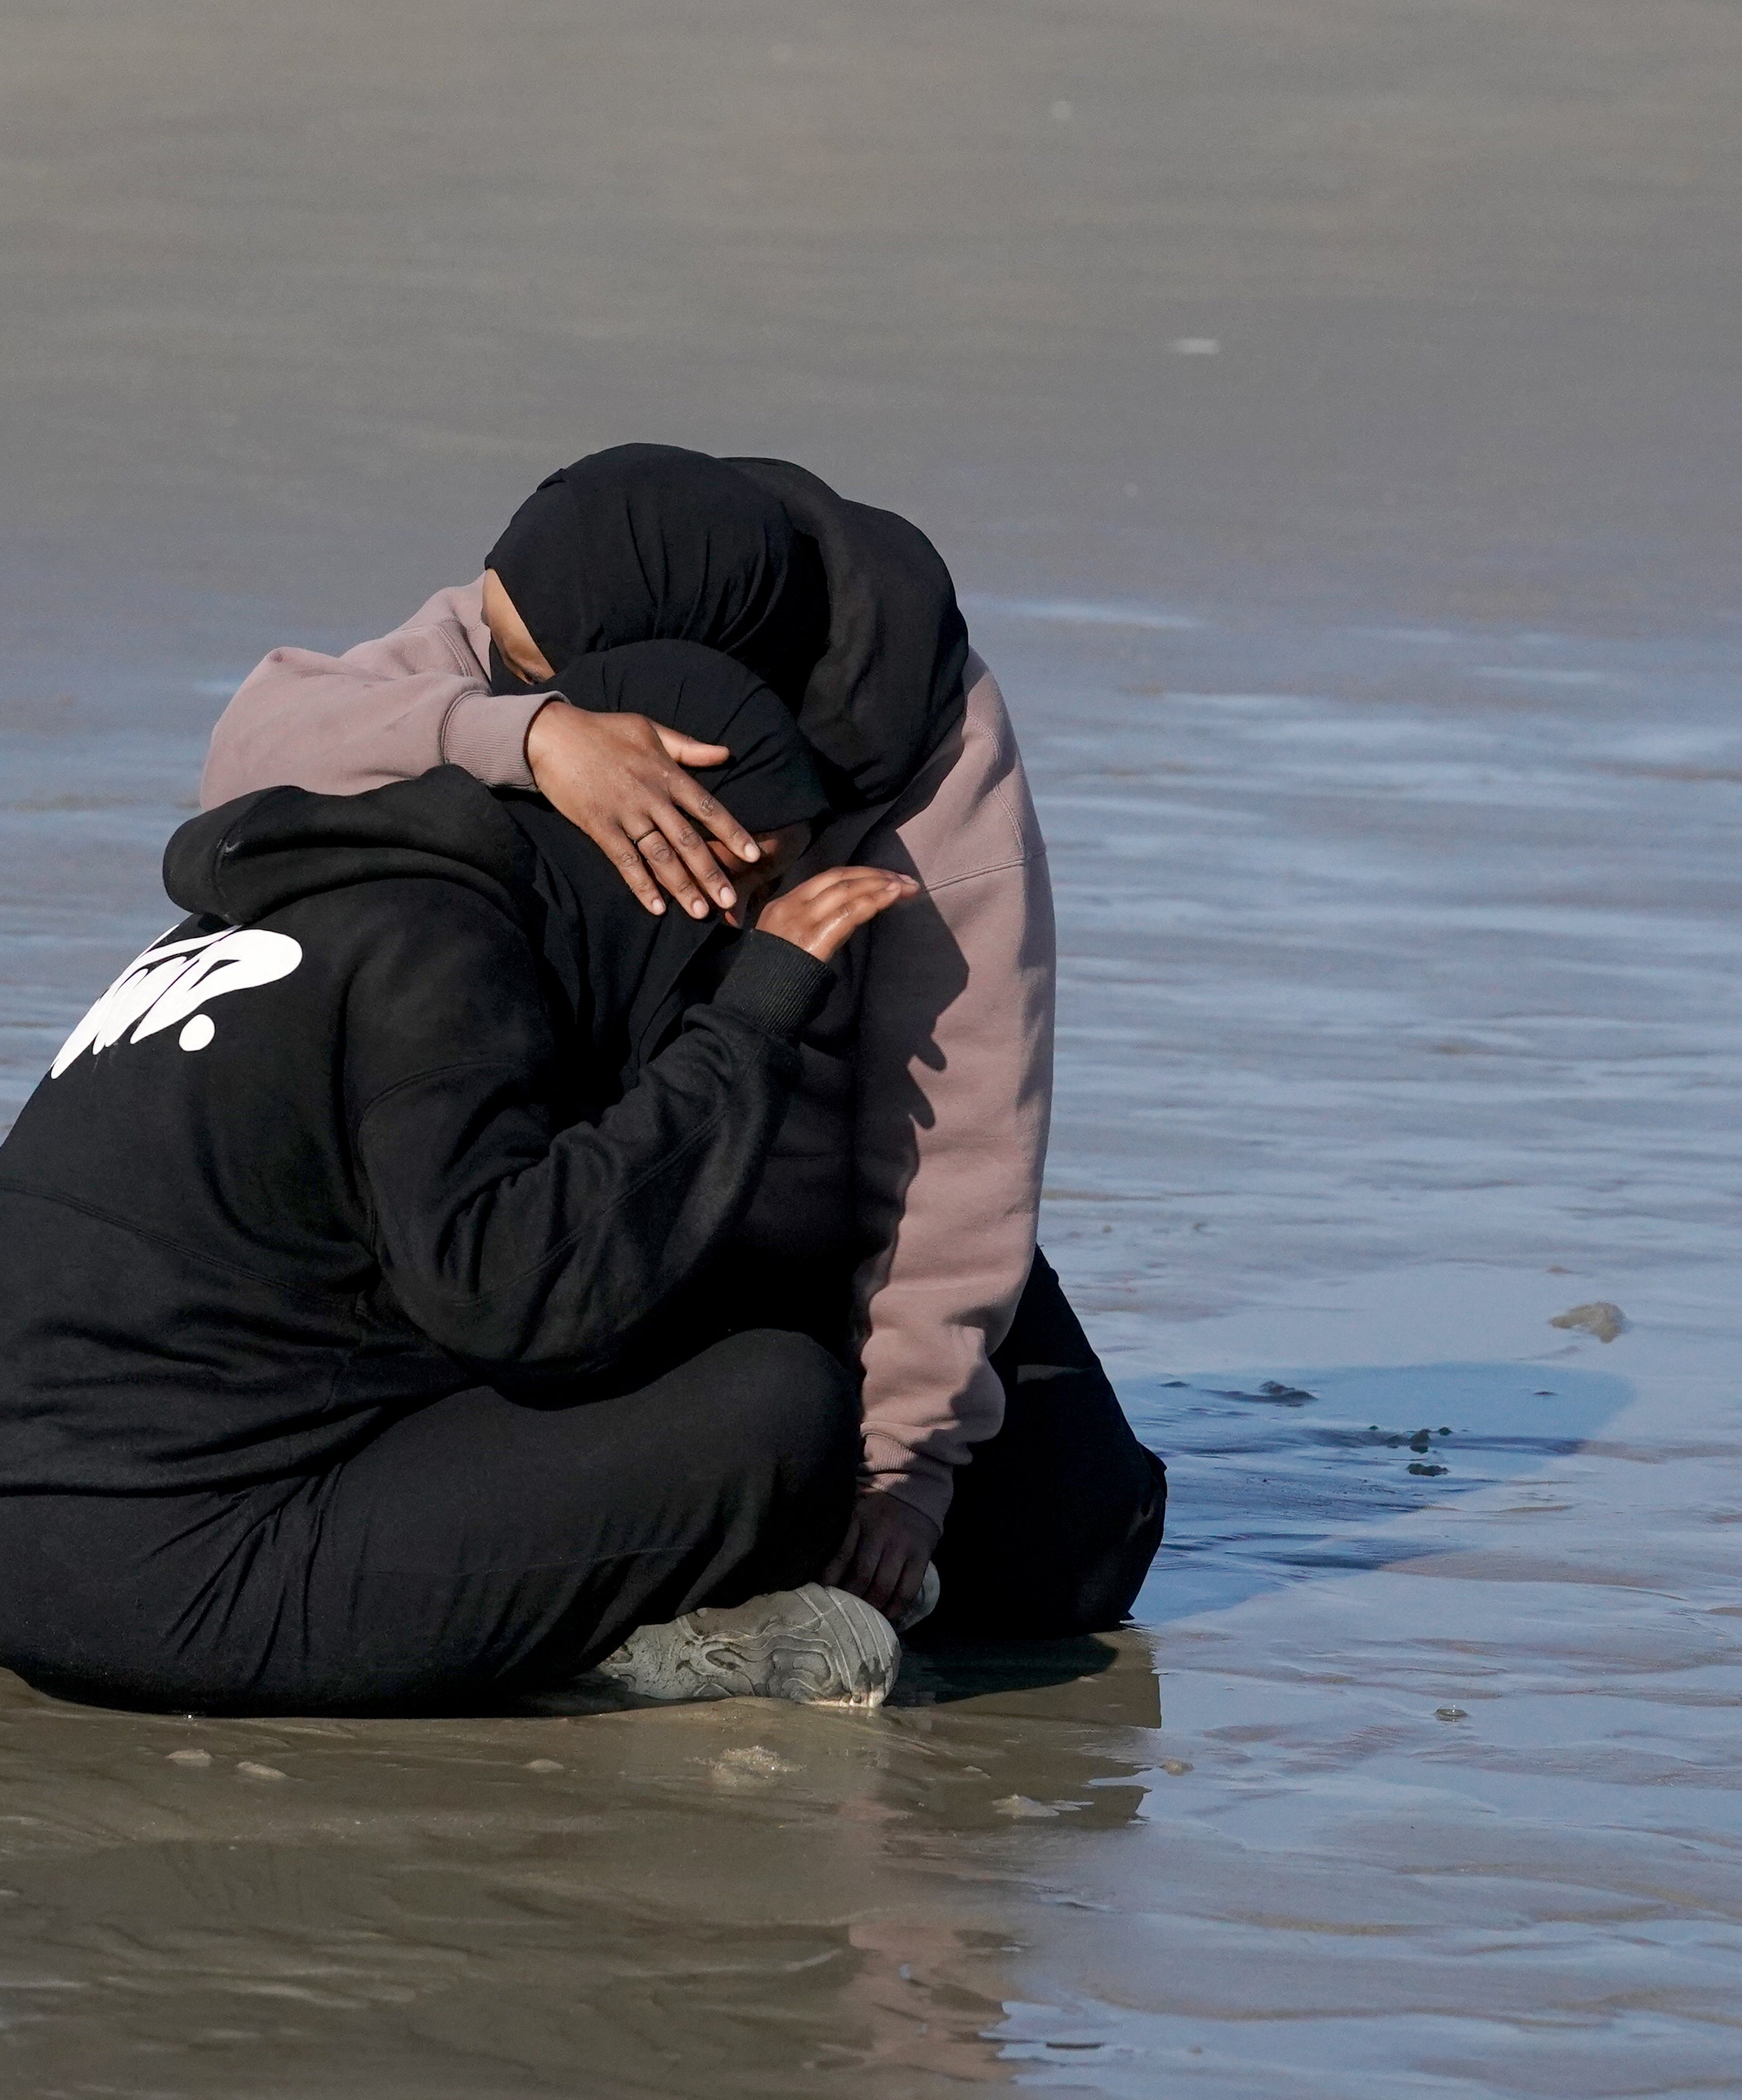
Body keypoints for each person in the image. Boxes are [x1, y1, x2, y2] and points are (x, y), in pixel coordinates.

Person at [201, 445, 1163, 1641]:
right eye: (501, 645)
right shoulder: (547, 605)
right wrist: (534, 734)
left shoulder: (931, 736)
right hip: (570, 1201)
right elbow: (252, 746)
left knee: (1069, 1546)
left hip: (804, 1215)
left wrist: (907, 1467)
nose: (498, 662)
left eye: (535, 670)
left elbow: (963, 1130)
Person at [0, 646, 925, 1713]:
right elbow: (516, 1296)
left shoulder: (294, 904)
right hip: (145, 1579)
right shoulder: (444, 959)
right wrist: (752, 1019)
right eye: (745, 881)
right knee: (778, 1412)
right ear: (651, 843)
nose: (739, 921)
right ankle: (602, 1647)